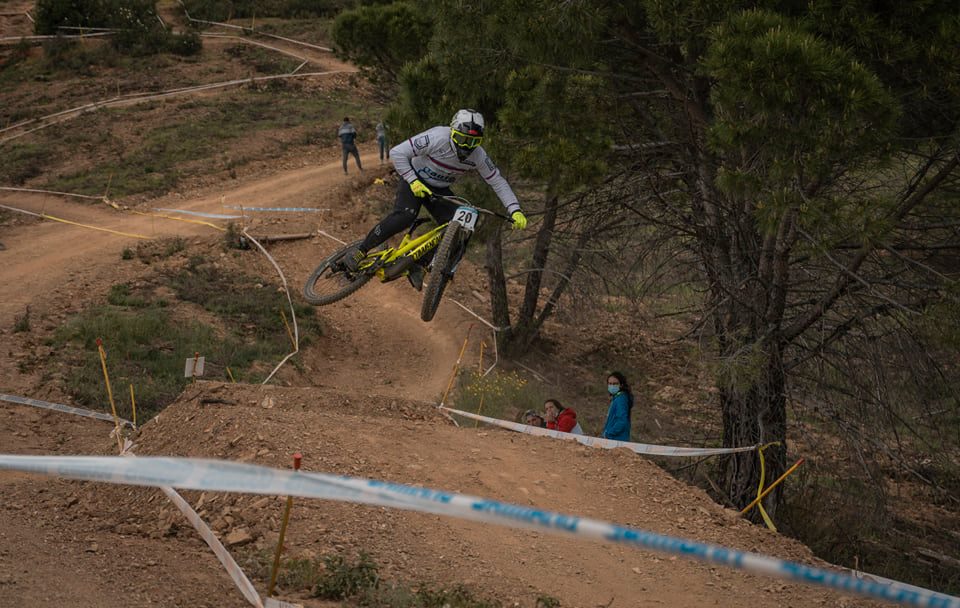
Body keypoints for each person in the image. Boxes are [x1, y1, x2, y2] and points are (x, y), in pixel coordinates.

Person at [341, 108, 528, 290]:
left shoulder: (478, 155)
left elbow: (497, 181)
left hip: (439, 190)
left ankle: (418, 265)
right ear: (452, 132)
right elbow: (398, 152)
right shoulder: (438, 137)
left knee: (461, 228)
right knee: (405, 216)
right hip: (414, 179)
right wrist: (413, 181)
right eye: (461, 139)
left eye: (473, 142)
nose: (466, 146)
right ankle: (361, 250)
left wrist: (515, 210)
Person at [602, 371, 634, 441]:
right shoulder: (617, 398)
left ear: (621, 385)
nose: (612, 386)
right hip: (614, 438)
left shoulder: (621, 399)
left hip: (616, 439)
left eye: (615, 384)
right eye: (610, 384)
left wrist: (608, 434)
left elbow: (622, 421)